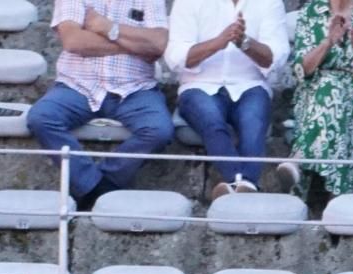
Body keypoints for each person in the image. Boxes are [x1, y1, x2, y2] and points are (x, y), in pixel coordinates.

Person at [26, 0, 174, 212]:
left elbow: (158, 43)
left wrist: (109, 28)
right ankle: (96, 188)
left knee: (159, 130)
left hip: (135, 87)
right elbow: (73, 41)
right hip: (77, 84)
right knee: (41, 118)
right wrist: (131, 44)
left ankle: (99, 185)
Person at [167, 0, 290, 198]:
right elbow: (175, 57)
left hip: (250, 84)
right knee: (211, 120)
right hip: (199, 85)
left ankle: (236, 186)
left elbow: (276, 57)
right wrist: (219, 42)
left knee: (253, 121)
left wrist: (245, 43)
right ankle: (244, 185)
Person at [277, 0, 353, 201]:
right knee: (329, 87)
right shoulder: (311, 12)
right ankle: (339, 196)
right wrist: (328, 42)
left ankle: (299, 162)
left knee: (333, 90)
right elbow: (301, 70)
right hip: (312, 95)